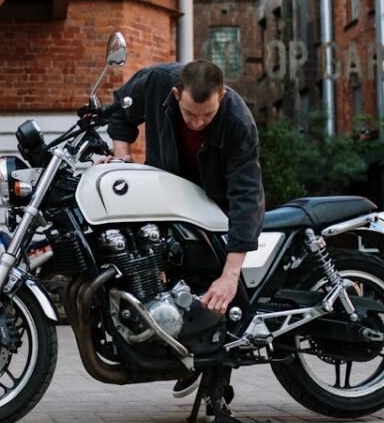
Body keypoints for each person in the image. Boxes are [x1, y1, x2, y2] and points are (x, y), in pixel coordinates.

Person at [106, 60, 265, 398]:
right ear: (176, 94)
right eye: (190, 114)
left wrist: (230, 273)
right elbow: (121, 111)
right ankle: (178, 347)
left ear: (221, 96)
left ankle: (210, 370)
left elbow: (246, 195)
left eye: (206, 116)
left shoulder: (238, 122)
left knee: (214, 282)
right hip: (167, 195)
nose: (196, 123)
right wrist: (121, 157)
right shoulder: (157, 82)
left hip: (214, 206)